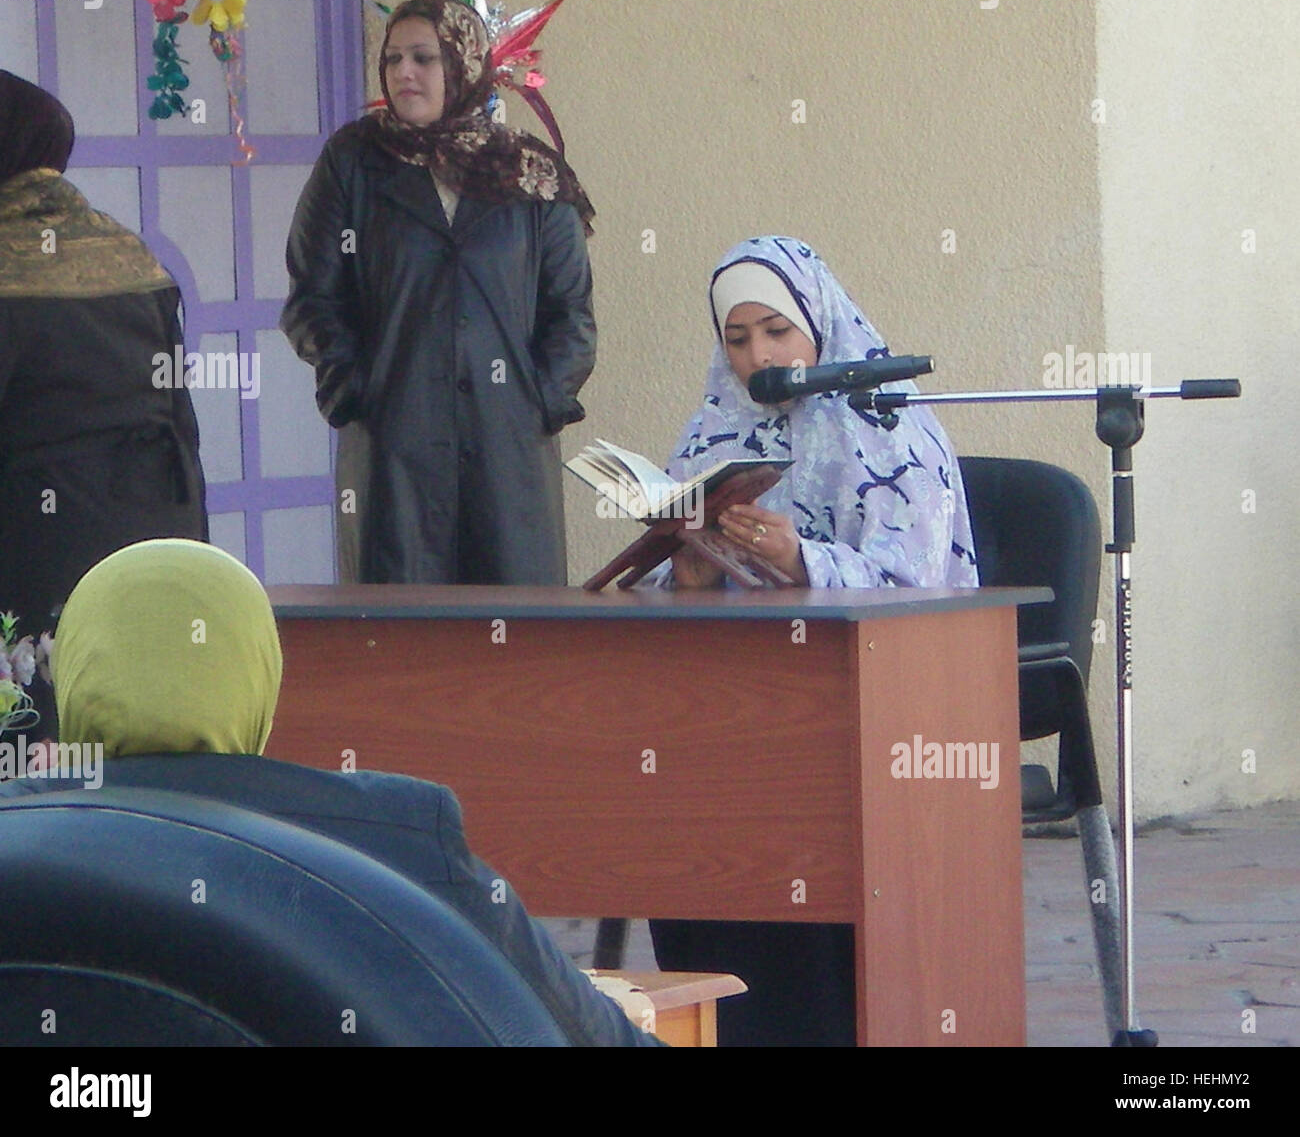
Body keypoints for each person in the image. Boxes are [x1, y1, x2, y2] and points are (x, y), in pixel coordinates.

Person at [0, 537, 661, 1047]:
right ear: (258, 671)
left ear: (76, 675)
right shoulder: (394, 833)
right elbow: (596, 1036)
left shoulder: (20, 842)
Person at [648, 236, 979, 1045]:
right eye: (737, 339)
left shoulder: (891, 423)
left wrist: (799, 557)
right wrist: (688, 574)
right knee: (672, 786)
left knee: (793, 791)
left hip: (874, 702)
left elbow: (916, 588)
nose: (759, 357)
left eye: (775, 331)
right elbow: (674, 582)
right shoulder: (714, 426)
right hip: (739, 700)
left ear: (818, 322)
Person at [281, 0, 596, 585]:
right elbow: (312, 295)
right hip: (393, 445)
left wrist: (536, 402)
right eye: (393, 58)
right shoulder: (355, 163)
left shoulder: (529, 173)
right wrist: (357, 387)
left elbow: (570, 312)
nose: (404, 72)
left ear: (463, 65)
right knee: (403, 647)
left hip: (508, 453)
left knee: (517, 644)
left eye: (423, 58)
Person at [0, 71, 208, 742]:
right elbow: (179, 414)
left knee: (33, 745)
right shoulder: (127, 249)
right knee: (129, 736)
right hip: (149, 531)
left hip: (33, 539)